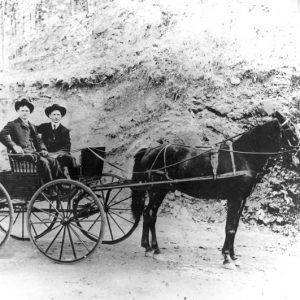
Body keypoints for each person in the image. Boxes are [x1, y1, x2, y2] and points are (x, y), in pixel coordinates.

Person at [0, 98, 65, 184]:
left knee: (53, 161)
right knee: (44, 162)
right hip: (22, 156)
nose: (25, 113)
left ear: (29, 112)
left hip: (32, 155)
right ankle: (49, 189)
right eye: (22, 110)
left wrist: (43, 149)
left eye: (27, 111)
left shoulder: (32, 126)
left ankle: (60, 184)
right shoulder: (13, 124)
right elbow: (2, 134)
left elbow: (38, 140)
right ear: (18, 111)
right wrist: (14, 146)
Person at [37, 104, 77, 178]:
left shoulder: (64, 130)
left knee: (71, 159)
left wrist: (57, 154)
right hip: (46, 155)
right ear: (50, 116)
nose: (56, 117)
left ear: (61, 116)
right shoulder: (44, 127)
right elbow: (32, 130)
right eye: (54, 114)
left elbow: (67, 147)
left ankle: (76, 182)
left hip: (59, 156)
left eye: (58, 115)